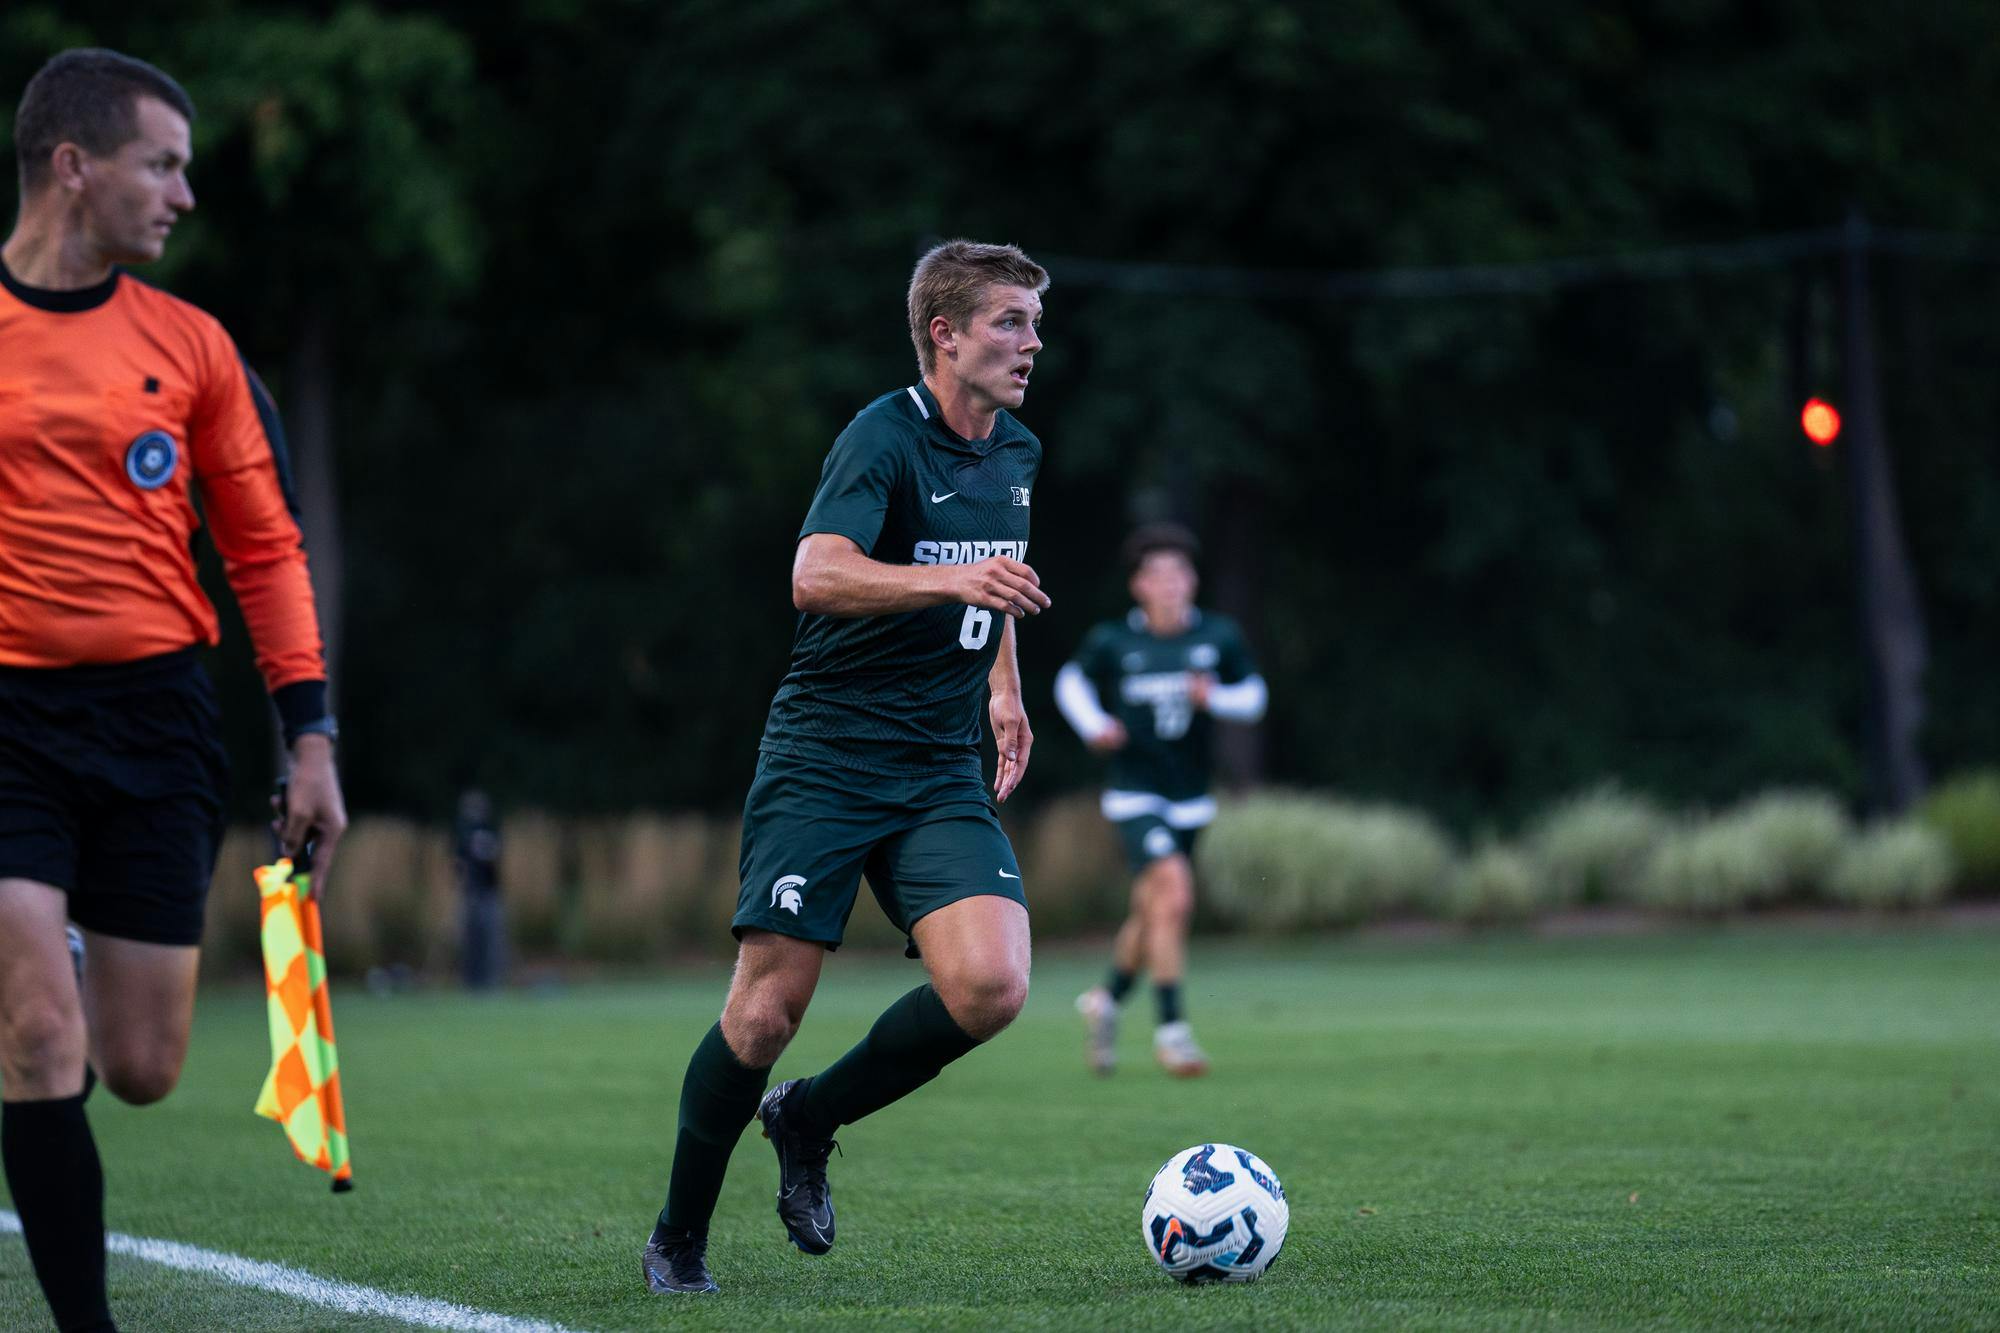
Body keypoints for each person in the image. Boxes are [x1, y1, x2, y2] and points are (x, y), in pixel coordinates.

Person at [0, 49, 346, 1332]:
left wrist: (309, 739)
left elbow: (264, 547)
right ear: (73, 168)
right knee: (38, 1042)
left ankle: (52, 948)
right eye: (163, 164)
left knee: (138, 1068)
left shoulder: (192, 346)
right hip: (10, 722)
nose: (184, 196)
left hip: (157, 720)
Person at [640, 240, 1050, 1295]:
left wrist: (1003, 685)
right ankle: (678, 1236)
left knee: (992, 983)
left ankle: (808, 1117)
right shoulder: (881, 437)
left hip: (935, 765)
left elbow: (992, 579)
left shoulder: (1015, 452)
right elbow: (815, 572)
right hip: (826, 754)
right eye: (1008, 321)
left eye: (1034, 323)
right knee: (766, 1009)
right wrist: (946, 585)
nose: (1031, 342)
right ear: (943, 334)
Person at [1056, 524, 1266, 1077]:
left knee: (1154, 911)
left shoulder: (1217, 637)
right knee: (1173, 895)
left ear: (1192, 581)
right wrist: (1094, 724)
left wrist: (1214, 696)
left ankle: (1105, 1001)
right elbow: (1069, 681)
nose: (1171, 584)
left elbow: (1254, 697)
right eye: (1158, 575)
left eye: (1180, 573)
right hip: (1134, 792)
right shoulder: (1115, 642)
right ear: (1139, 586)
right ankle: (1173, 1032)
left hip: (1191, 797)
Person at [453, 789, 505, 990]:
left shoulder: (490, 830)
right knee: (470, 941)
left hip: (489, 892)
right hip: (469, 893)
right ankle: (470, 982)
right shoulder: (462, 833)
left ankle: (490, 981)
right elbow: (457, 862)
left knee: (491, 940)